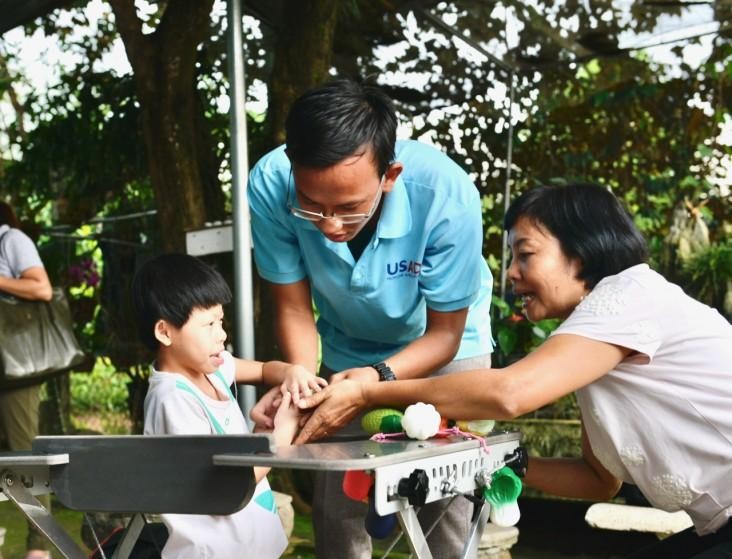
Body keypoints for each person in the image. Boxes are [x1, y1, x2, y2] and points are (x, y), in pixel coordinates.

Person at [296, 182, 732, 559]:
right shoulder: (595, 342)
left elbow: (510, 393)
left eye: (526, 255)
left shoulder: (629, 295)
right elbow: (598, 480)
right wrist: (484, 459)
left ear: (582, 252)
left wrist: (372, 390)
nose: (511, 274)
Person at [247, 79, 494, 558]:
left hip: (444, 344)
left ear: (390, 175)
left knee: (444, 494)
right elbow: (294, 306)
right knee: (339, 493)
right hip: (347, 344)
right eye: (312, 206)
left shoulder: (446, 194)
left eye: (349, 209)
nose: (330, 226)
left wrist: (378, 380)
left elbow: (446, 332)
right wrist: (300, 375)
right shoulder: (271, 182)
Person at [131, 253, 325, 558]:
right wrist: (279, 438)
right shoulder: (173, 399)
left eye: (220, 320)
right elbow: (222, 489)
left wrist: (292, 372)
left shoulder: (215, 368)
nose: (221, 334)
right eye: (208, 324)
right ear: (165, 332)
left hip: (247, 545)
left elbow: (262, 370)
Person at [0, 201, 53, 559]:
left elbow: (42, 289)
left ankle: (38, 548)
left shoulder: (12, 239)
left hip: (15, 369)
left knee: (25, 458)